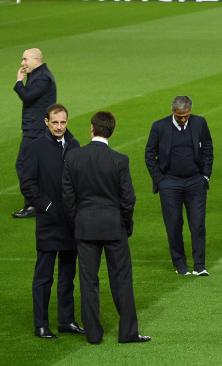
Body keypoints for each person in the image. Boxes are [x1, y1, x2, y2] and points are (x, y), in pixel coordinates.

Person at [62, 111, 150, 344]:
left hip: (85, 227)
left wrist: (77, 221)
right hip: (113, 227)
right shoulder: (119, 160)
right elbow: (128, 199)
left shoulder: (73, 157)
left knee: (88, 282)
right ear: (111, 130)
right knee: (121, 279)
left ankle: (93, 334)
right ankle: (128, 333)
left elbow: (68, 198)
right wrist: (125, 224)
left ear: (92, 128)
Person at [19, 104, 84, 339]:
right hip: (48, 222)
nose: (59, 127)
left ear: (67, 121)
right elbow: (27, 182)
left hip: (70, 221)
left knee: (68, 274)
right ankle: (41, 324)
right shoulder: (36, 147)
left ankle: (66, 320)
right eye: (55, 122)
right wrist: (45, 206)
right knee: (44, 276)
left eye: (63, 122)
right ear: (46, 122)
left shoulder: (75, 145)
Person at [145, 96, 214, 276]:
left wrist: (205, 175)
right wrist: (160, 180)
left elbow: (207, 148)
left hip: (195, 182)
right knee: (174, 225)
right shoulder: (159, 127)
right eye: (179, 116)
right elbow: (149, 154)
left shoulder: (200, 123)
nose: (183, 119)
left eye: (186, 116)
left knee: (198, 224)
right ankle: (180, 265)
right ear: (172, 111)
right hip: (170, 183)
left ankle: (200, 265)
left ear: (190, 111)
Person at [13, 48, 57, 219]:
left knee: (24, 166)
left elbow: (28, 96)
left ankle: (33, 204)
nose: (22, 63)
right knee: (34, 167)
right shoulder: (38, 75)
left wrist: (18, 82)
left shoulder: (43, 77)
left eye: (25, 59)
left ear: (35, 59)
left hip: (36, 130)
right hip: (35, 128)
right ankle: (39, 202)